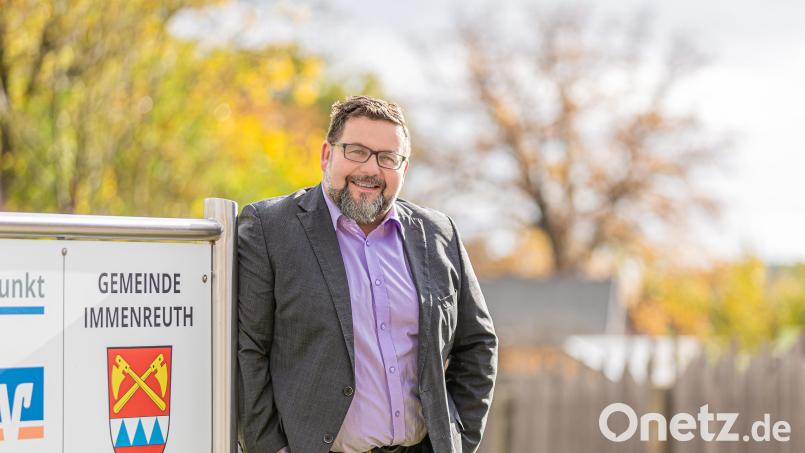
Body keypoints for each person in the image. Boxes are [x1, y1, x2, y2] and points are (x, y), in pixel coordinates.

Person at [237, 95, 497, 453]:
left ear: (403, 169)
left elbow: (478, 344)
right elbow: (247, 350)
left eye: (387, 158)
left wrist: (458, 441)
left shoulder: (439, 234)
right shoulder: (270, 229)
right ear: (327, 155)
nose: (371, 169)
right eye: (357, 151)